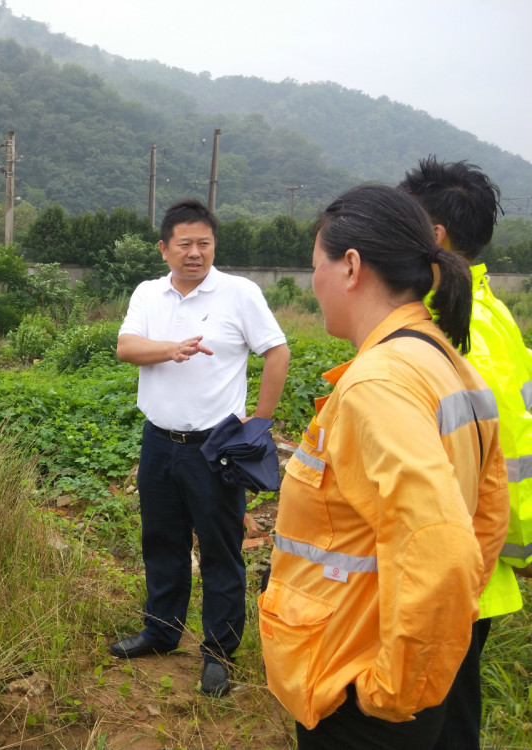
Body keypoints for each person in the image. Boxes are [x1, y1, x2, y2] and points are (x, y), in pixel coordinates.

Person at [259, 184, 510, 750]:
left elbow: (442, 546)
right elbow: (487, 516)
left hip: (359, 686)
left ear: (350, 266)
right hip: (396, 669)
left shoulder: (380, 383)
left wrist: (394, 691)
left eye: (314, 265)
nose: (313, 283)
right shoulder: (445, 361)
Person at [111, 197, 291, 697]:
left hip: (216, 446)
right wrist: (171, 349)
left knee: (220, 549)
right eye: (185, 244)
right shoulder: (149, 293)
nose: (195, 253)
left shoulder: (239, 293)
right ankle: (161, 631)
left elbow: (277, 352)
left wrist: (261, 421)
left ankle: (218, 650)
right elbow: (127, 348)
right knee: (161, 540)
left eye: (204, 243)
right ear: (165, 248)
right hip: (159, 441)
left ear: (214, 246)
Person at [400, 157, 532, 750]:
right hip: (472, 566)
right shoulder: (492, 313)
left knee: (436, 723)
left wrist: (520, 545)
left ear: (434, 236)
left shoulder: (452, 325)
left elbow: (508, 452)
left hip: (450, 571)